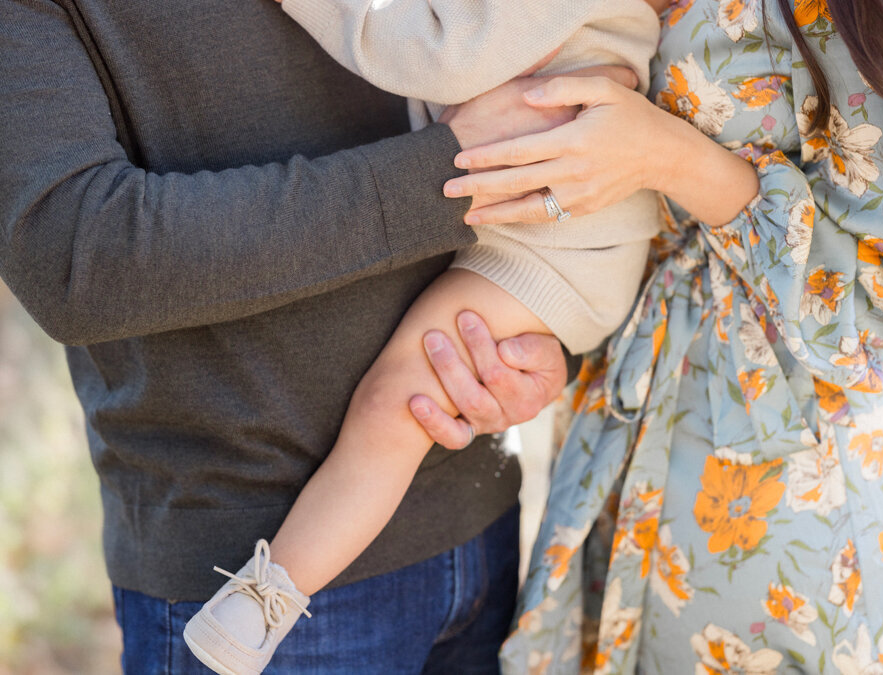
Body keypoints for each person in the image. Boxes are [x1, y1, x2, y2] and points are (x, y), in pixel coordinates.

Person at [0, 2, 610, 672]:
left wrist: (534, 326)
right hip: (242, 563)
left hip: (478, 514)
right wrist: (449, 173)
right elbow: (81, 261)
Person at [182, 1, 663, 672]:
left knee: (397, 404)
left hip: (558, 248)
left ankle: (273, 593)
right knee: (402, 400)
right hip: (520, 213)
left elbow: (441, 53)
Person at [437, 0, 883, 671]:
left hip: (804, 517)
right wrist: (555, 336)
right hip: (622, 455)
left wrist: (667, 157)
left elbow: (877, 309)